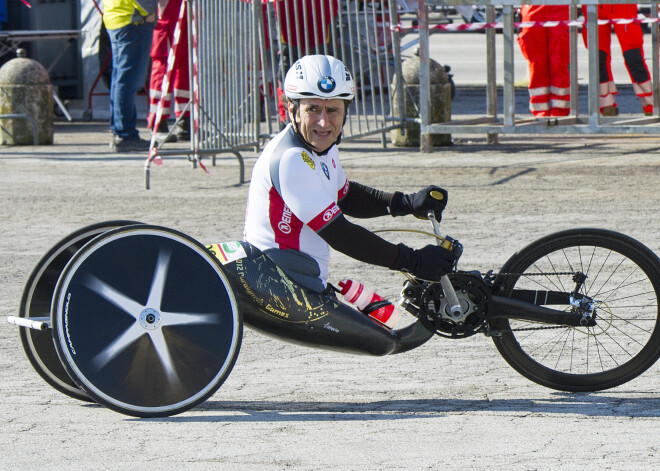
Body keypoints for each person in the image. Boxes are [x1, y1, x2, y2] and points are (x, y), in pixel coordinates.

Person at [243, 55, 456, 299]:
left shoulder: (321, 145)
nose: (324, 122)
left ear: (345, 111)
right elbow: (340, 234)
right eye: (312, 109)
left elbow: (346, 197)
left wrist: (405, 203)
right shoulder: (291, 159)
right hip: (278, 280)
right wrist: (414, 261)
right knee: (384, 338)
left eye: (332, 110)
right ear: (292, 109)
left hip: (300, 273)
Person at [102, 0, 156, 152]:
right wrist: (150, 10)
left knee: (120, 79)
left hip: (117, 18)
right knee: (128, 81)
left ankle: (120, 131)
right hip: (133, 20)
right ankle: (125, 134)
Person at [581, 4, 653, 116]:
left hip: (622, 5)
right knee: (598, 58)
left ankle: (651, 106)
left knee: (633, 57)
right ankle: (607, 108)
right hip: (594, 6)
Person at [147, 0, 191, 143]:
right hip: (167, 7)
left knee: (186, 61)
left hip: (186, 5)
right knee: (164, 62)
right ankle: (158, 122)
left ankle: (185, 119)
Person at [517, 5, 570, 119]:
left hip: (560, 7)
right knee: (536, 64)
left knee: (559, 61)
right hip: (532, 7)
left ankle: (559, 111)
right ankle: (541, 112)